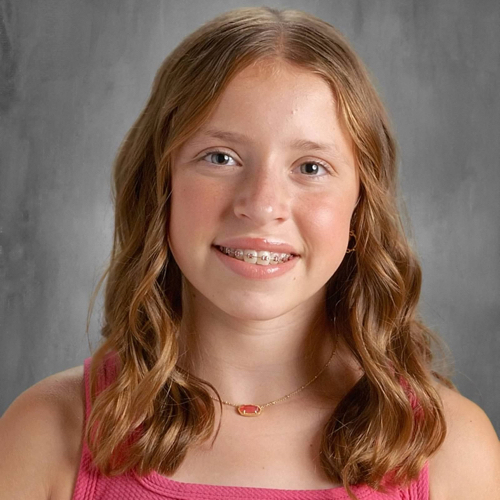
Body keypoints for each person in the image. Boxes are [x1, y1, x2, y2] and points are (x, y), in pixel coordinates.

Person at [1, 6, 499, 500]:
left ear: (360, 204)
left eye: (310, 167)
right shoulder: (43, 435)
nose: (262, 205)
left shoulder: (453, 450)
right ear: (159, 186)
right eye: (221, 158)